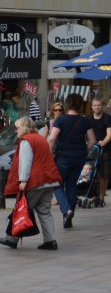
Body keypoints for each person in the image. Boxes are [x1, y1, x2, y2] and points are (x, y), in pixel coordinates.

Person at [0, 116, 61, 251]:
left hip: (35, 181)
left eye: (18, 128)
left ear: (24, 128)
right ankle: (50, 241)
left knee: (22, 209)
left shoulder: (26, 141)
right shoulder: (41, 139)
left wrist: (23, 180)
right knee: (45, 212)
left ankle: (11, 239)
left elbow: (26, 162)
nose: (16, 131)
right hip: (49, 180)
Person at [47, 93, 95, 230]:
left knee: (56, 183)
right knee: (72, 185)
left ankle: (66, 210)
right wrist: (84, 150)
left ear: (67, 104)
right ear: (80, 105)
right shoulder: (85, 121)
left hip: (63, 157)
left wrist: (51, 153)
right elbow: (92, 140)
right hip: (79, 157)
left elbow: (52, 138)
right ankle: (68, 217)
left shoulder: (61, 120)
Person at [88, 97, 111, 204]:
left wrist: (103, 142)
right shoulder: (88, 118)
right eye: (95, 105)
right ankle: (93, 195)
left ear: (102, 106)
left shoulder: (107, 118)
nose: (97, 107)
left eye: (99, 105)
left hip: (105, 149)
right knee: (91, 172)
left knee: (104, 174)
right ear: (92, 106)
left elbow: (109, 134)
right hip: (92, 149)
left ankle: (101, 195)